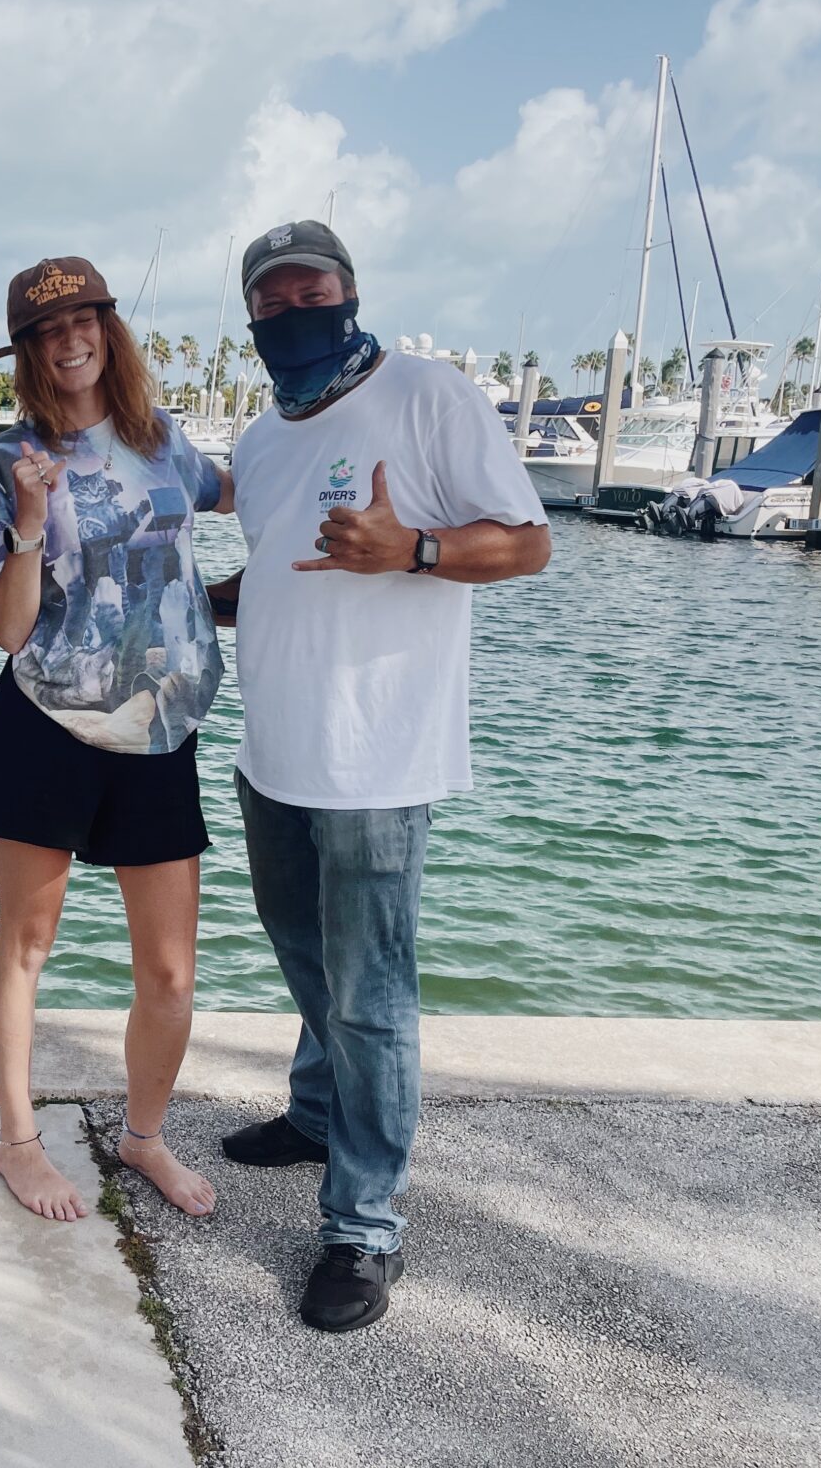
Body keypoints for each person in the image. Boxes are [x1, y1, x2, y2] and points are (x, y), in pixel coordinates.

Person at [210, 219, 549, 1330]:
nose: (288, 306)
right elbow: (280, 568)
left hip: (376, 759)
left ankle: (362, 1226)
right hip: (273, 753)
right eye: (268, 296)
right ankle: (317, 1113)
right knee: (302, 955)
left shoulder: (427, 396)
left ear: (348, 293)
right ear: (253, 317)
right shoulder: (263, 438)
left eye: (307, 286)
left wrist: (412, 550)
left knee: (369, 996)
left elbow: (524, 542)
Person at [0, 256, 234, 1223]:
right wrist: (31, 522)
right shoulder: (4, 461)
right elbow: (6, 626)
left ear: (110, 328)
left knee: (169, 970)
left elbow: (242, 495)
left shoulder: (165, 442)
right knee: (26, 944)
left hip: (163, 724)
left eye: (87, 318)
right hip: (46, 723)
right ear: (27, 351)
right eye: (46, 329)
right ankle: (18, 1143)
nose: (70, 338)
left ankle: (143, 1136)